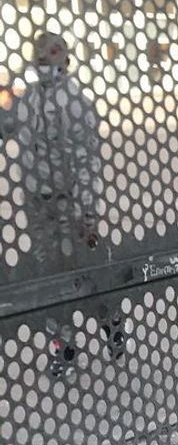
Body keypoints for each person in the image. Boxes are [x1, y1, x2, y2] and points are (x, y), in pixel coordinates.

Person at [0, 29, 126, 376]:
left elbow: (87, 163)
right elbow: (8, 125)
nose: (45, 66)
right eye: (40, 59)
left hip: (69, 203)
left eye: (50, 58)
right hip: (38, 207)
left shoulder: (75, 105)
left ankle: (110, 319)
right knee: (48, 279)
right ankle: (65, 347)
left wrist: (87, 213)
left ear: (65, 61)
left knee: (82, 275)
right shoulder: (28, 101)